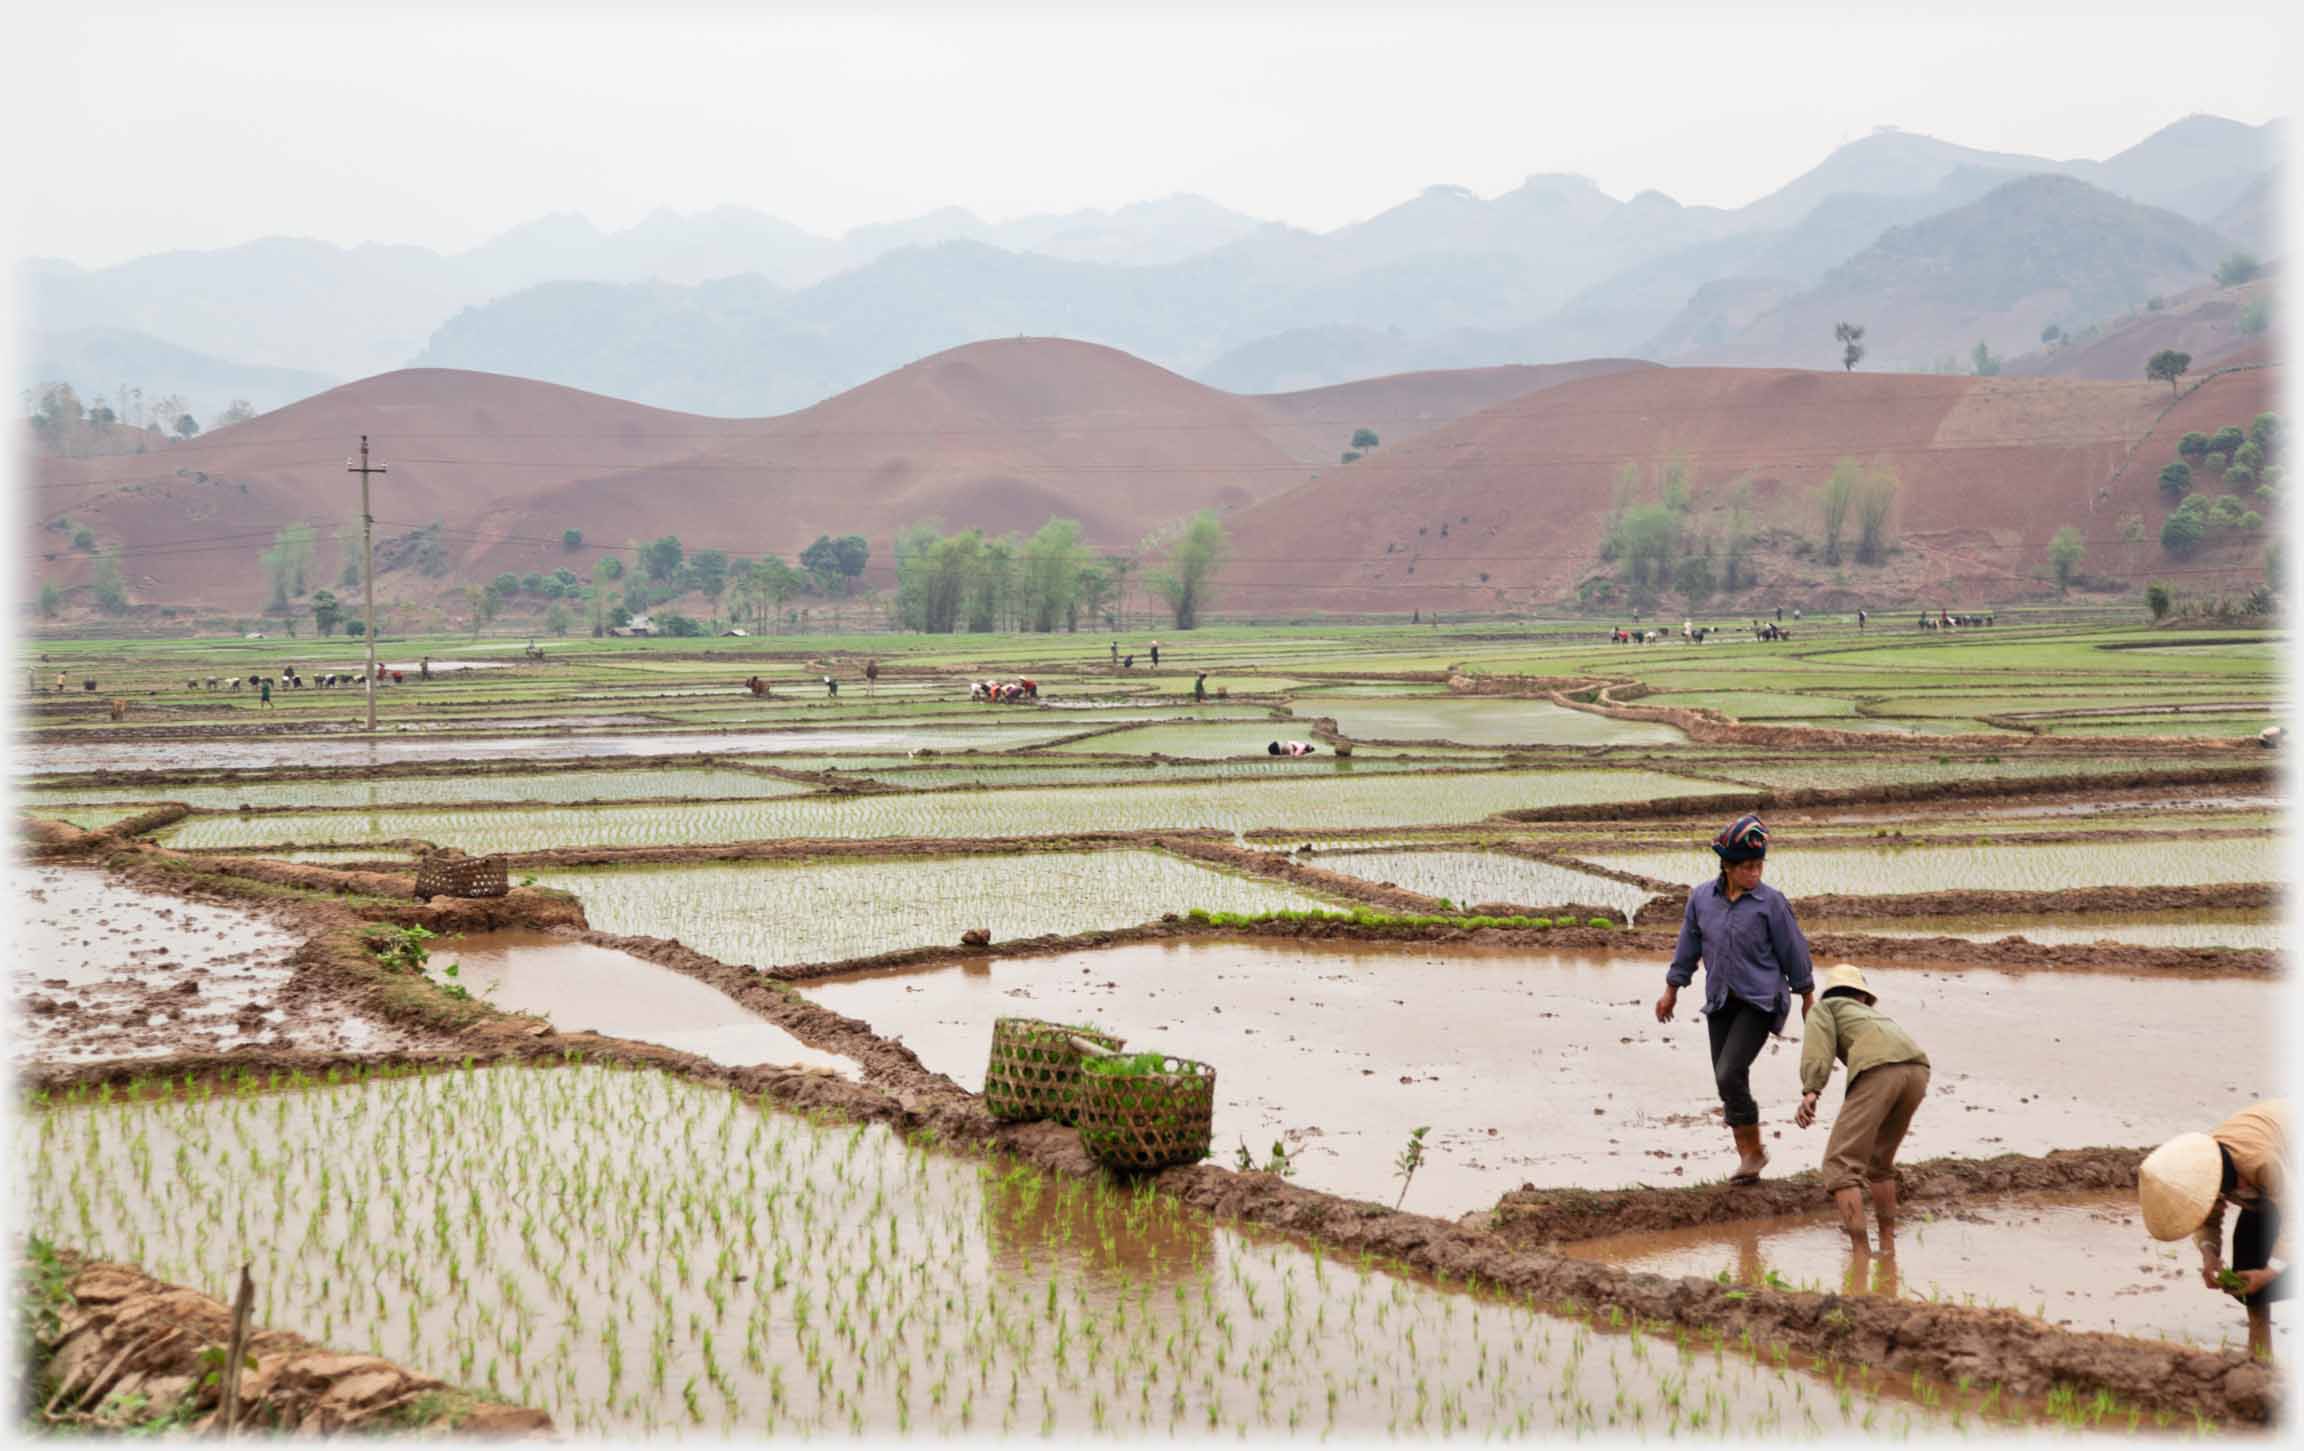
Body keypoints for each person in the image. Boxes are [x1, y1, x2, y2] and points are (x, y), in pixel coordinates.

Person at [1656, 814, 1816, 1183]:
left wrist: (1807, 996)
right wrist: (1671, 990)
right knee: (1725, 1079)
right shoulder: (1701, 900)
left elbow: (1794, 950)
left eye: (1759, 865)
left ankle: (1752, 1155)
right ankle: (1750, 1157)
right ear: (1727, 866)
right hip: (1721, 999)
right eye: (1747, 866)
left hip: (1760, 999)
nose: (1755, 872)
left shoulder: (1771, 904)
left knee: (1730, 1071)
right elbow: (1688, 947)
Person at [2138, 1099, 2289, 1359]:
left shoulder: (2260, 1162)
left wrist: (2272, 1271)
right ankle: (2261, 1352)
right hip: (2268, 1182)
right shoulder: (2206, 1166)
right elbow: (2205, 1213)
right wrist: (2210, 1256)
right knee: (2247, 1257)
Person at [1793, 965, 1930, 1248]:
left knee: (1839, 1165)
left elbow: (1818, 1048)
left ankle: (1860, 1253)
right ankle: (1888, 1247)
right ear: (1863, 997)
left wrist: (1811, 1090)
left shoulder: (1825, 1008)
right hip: (1917, 1070)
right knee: (1879, 1162)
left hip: (1880, 1070)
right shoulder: (1874, 1014)